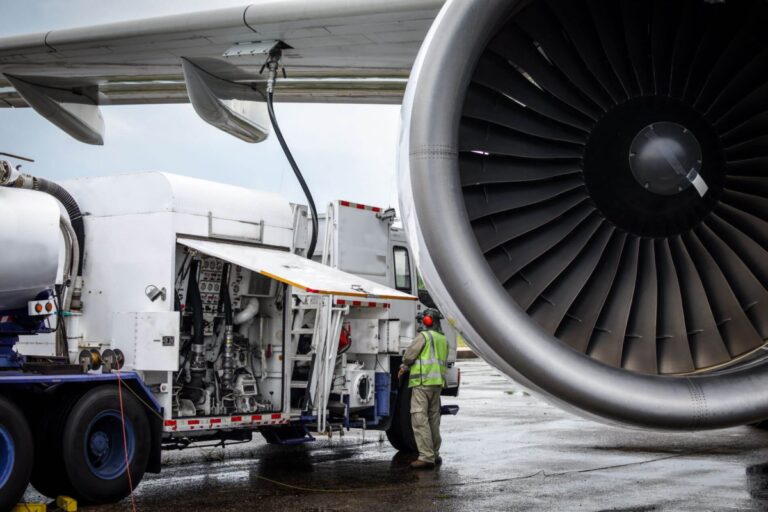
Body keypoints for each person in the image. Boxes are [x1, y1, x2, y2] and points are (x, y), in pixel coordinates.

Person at [398, 308, 448, 470]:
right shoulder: (442, 338)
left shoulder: (424, 337)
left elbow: (410, 356)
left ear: (428, 321)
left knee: (420, 418)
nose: (420, 323)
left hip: (422, 382)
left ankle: (426, 457)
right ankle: (434, 453)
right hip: (436, 383)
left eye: (422, 320)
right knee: (433, 419)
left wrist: (404, 366)